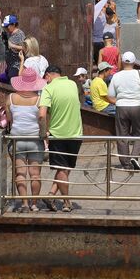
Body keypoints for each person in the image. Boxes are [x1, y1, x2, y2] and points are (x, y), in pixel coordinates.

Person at [38, 63, 83, 212]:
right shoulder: (72, 84)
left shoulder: (48, 89)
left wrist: (43, 133)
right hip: (76, 133)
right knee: (66, 168)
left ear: (48, 76)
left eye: (46, 79)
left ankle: (66, 203)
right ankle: (51, 195)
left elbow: (42, 114)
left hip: (58, 135)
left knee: (62, 169)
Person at [7, 66, 46, 212]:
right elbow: (42, 118)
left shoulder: (11, 98)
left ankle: (23, 203)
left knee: (20, 173)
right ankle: (34, 204)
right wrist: (43, 134)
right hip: (35, 139)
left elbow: (9, 118)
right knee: (35, 174)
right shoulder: (40, 99)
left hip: (17, 139)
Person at [109, 51, 140, 171]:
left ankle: (125, 163)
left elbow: (111, 94)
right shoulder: (139, 73)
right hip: (137, 106)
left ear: (123, 62)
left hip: (121, 106)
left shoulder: (116, 76)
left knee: (122, 136)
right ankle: (134, 156)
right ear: (134, 62)